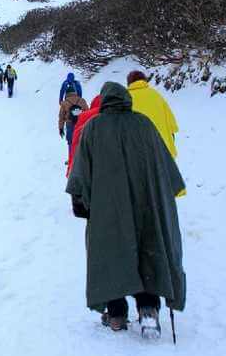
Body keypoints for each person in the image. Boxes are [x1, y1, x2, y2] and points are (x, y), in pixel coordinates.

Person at [66, 82, 186, 337]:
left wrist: (80, 203)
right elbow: (164, 164)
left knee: (111, 256)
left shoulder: (93, 129)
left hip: (107, 209)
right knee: (147, 251)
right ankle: (148, 310)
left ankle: (117, 315)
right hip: (145, 207)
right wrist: (168, 192)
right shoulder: (143, 125)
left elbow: (81, 171)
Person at [126, 70, 178, 159]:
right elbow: (172, 126)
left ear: (129, 83)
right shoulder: (156, 95)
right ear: (144, 80)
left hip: (139, 153)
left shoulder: (126, 98)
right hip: (162, 150)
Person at [66, 94, 101, 176]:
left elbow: (61, 115)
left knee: (70, 143)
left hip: (71, 124)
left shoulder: (65, 102)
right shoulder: (81, 101)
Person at [58, 89, 89, 156]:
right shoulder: (82, 100)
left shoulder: (64, 103)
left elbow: (61, 117)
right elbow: (88, 112)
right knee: (81, 141)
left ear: (66, 93)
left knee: (70, 141)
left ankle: (71, 158)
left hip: (70, 124)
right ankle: (82, 157)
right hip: (81, 123)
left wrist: (61, 128)